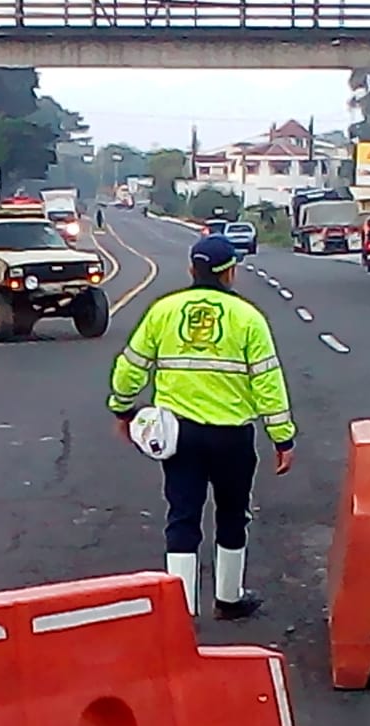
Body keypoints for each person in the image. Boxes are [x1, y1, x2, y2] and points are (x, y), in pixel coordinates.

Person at [107, 234, 296, 621]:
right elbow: (267, 382)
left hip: (179, 435)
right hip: (232, 437)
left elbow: (132, 366)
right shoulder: (248, 318)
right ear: (230, 273)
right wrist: (282, 436)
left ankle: (181, 609)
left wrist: (122, 410)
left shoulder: (164, 310)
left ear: (192, 269)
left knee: (182, 515)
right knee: (232, 514)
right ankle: (229, 598)